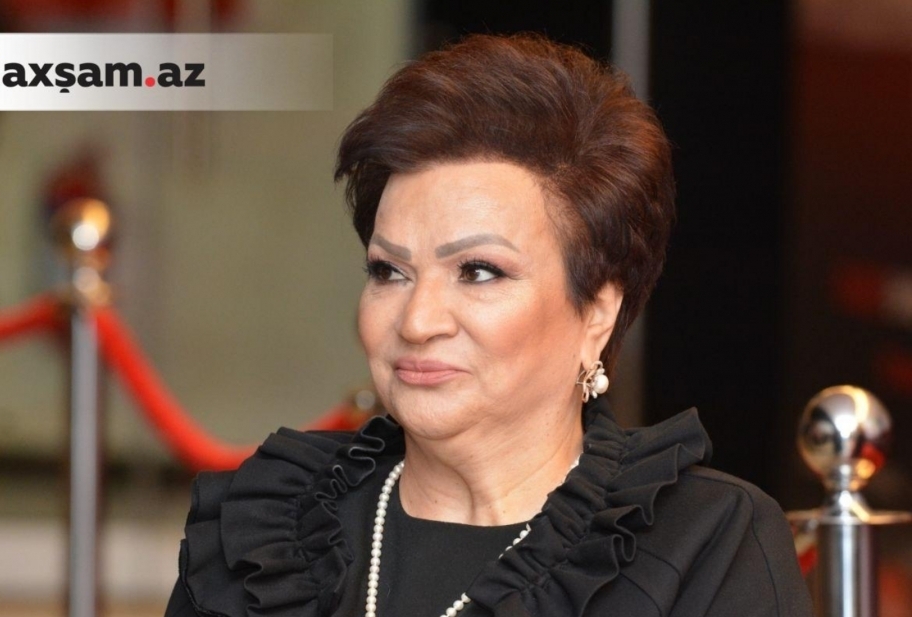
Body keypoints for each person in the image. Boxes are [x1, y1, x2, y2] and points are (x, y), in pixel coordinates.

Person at [164, 33, 813, 617]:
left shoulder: (704, 542)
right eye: (390, 271)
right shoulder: (263, 531)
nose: (418, 320)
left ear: (597, 311)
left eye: (478, 271)